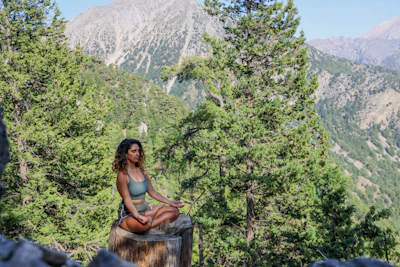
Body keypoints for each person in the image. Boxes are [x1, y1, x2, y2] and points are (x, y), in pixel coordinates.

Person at [112, 138, 184, 234]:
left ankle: (150, 216)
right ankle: (150, 217)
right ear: (125, 154)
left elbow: (152, 192)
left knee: (175, 211)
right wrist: (137, 216)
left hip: (145, 208)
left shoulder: (142, 170)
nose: (137, 154)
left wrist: (170, 202)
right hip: (129, 213)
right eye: (133, 151)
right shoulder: (123, 175)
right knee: (145, 226)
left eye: (139, 151)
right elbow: (127, 200)